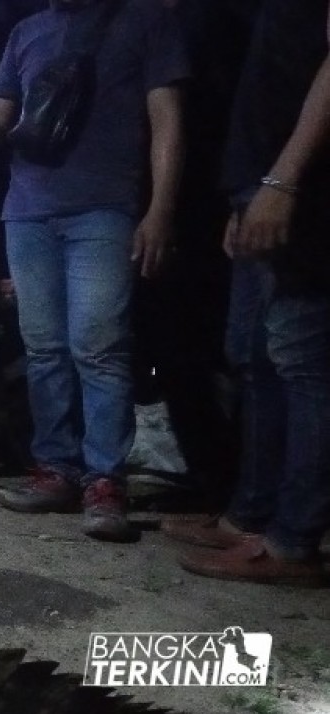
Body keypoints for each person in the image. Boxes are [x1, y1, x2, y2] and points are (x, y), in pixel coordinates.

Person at [0, 0, 188, 540]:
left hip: (104, 207)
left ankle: (105, 481)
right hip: (26, 210)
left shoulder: (145, 21)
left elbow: (168, 120)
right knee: (44, 348)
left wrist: (161, 210)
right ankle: (56, 469)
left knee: (99, 347)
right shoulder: (26, 32)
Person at [166, 1, 330, 587]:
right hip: (259, 183)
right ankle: (251, 518)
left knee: (302, 362)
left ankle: (293, 541)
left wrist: (283, 181)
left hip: (303, 189)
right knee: (255, 356)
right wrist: (248, 192)